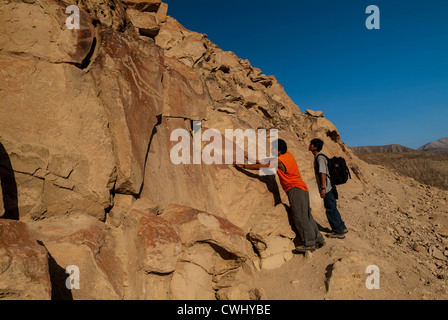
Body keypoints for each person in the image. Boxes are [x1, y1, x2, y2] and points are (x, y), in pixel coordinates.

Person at [234, 139, 325, 252]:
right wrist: (249, 158)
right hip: (302, 188)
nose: (271, 149)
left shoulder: (279, 160)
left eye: (273, 148)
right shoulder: (287, 155)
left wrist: (243, 166)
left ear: (279, 151)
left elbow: (264, 166)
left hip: (294, 189)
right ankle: (319, 238)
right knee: (306, 215)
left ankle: (310, 242)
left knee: (299, 216)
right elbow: (265, 161)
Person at [309, 138, 347, 239]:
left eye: (311, 144)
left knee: (330, 209)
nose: (309, 145)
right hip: (329, 187)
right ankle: (341, 227)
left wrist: (322, 188)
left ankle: (338, 231)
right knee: (333, 208)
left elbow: (323, 174)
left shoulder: (320, 158)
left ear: (315, 147)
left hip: (327, 188)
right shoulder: (319, 157)